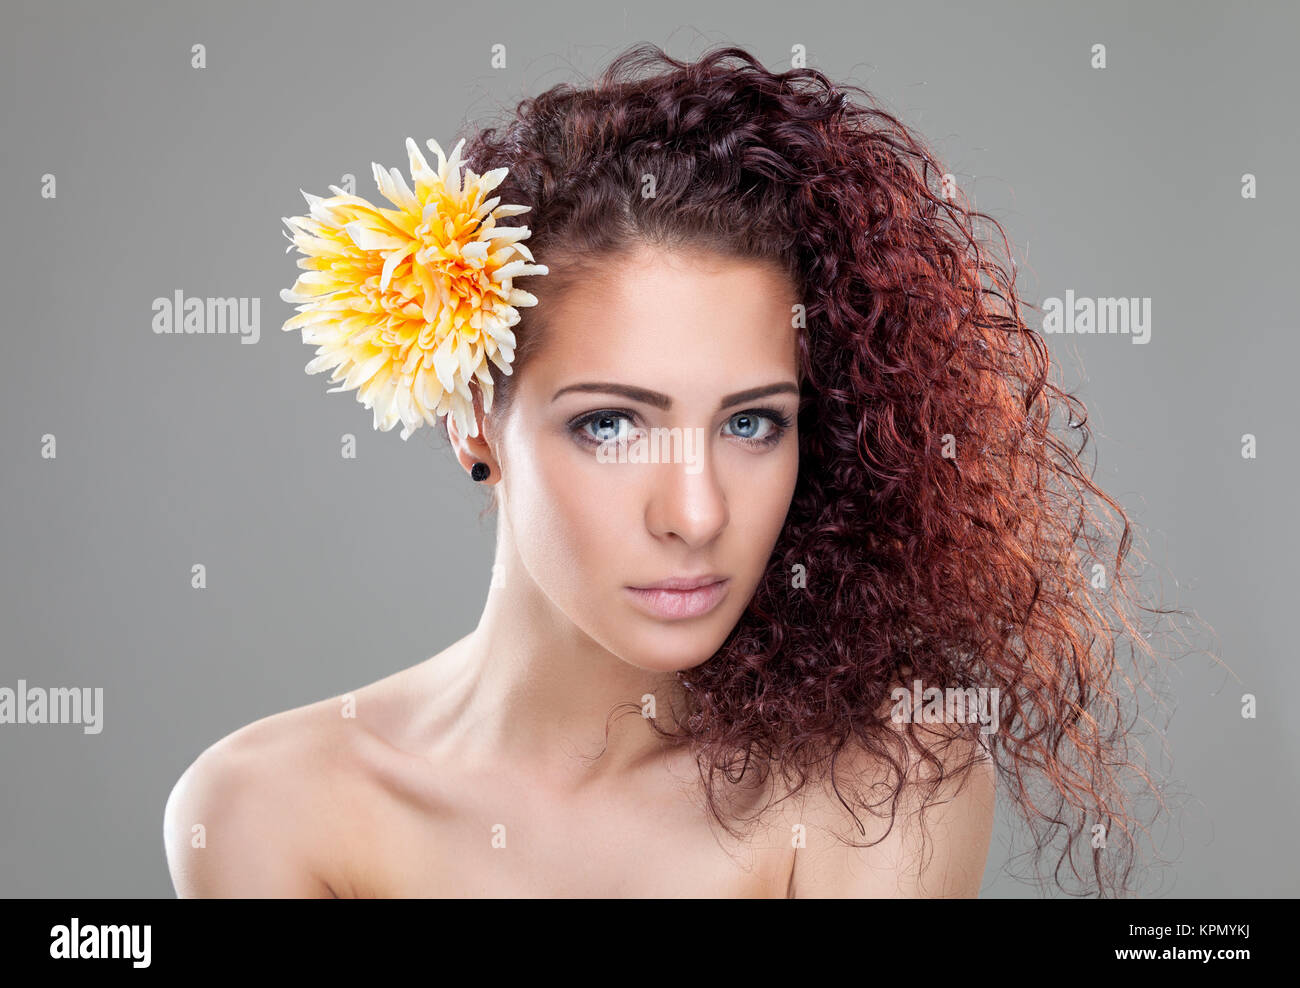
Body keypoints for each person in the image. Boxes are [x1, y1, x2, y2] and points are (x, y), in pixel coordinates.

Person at [165, 43, 1166, 898]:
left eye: (753, 424)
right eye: (609, 424)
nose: (695, 513)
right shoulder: (269, 807)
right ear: (474, 418)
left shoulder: (882, 784)